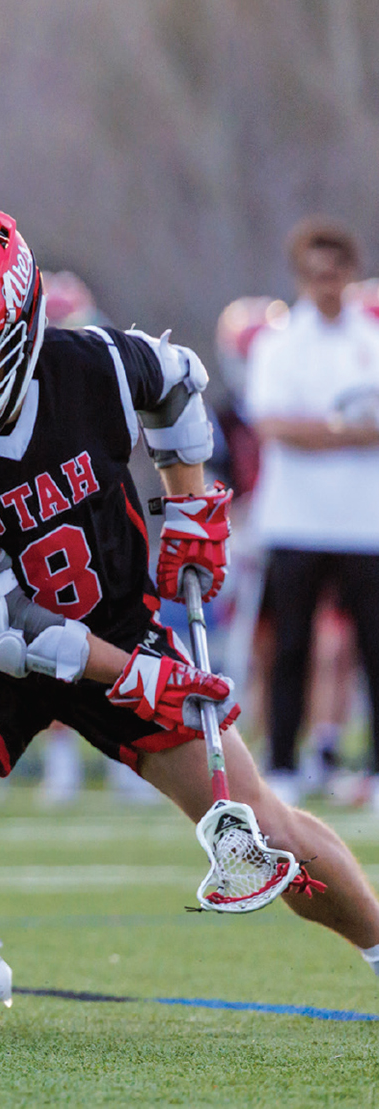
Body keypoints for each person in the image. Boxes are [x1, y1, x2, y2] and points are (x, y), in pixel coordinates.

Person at [0, 210, 379, 1034]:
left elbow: (181, 383)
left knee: (265, 829)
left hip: (122, 617)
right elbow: (8, 626)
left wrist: (192, 505)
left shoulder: (94, 363)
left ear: (18, 336)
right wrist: (138, 673)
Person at [245, 217, 379, 808]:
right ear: (303, 277)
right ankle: (281, 763)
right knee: (290, 647)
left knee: (374, 649)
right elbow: (274, 425)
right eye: (317, 274)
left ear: (351, 275)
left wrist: (322, 430)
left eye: (337, 273)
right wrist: (343, 431)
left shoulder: (371, 342)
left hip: (363, 522)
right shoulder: (278, 344)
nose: (328, 285)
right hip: (295, 519)